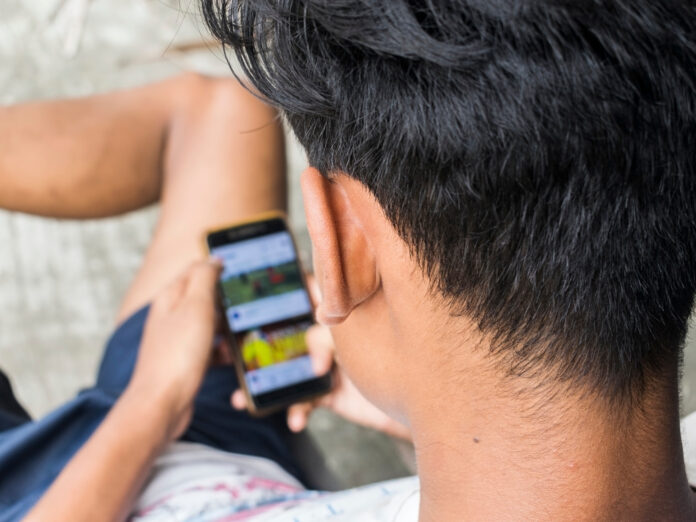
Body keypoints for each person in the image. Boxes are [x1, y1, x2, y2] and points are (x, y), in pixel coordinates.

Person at [0, 0, 695, 519]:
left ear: (343, 246)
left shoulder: (156, 401)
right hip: (230, 460)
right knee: (218, 116)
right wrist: (437, 418)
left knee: (218, 118)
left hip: (65, 477)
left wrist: (153, 403)